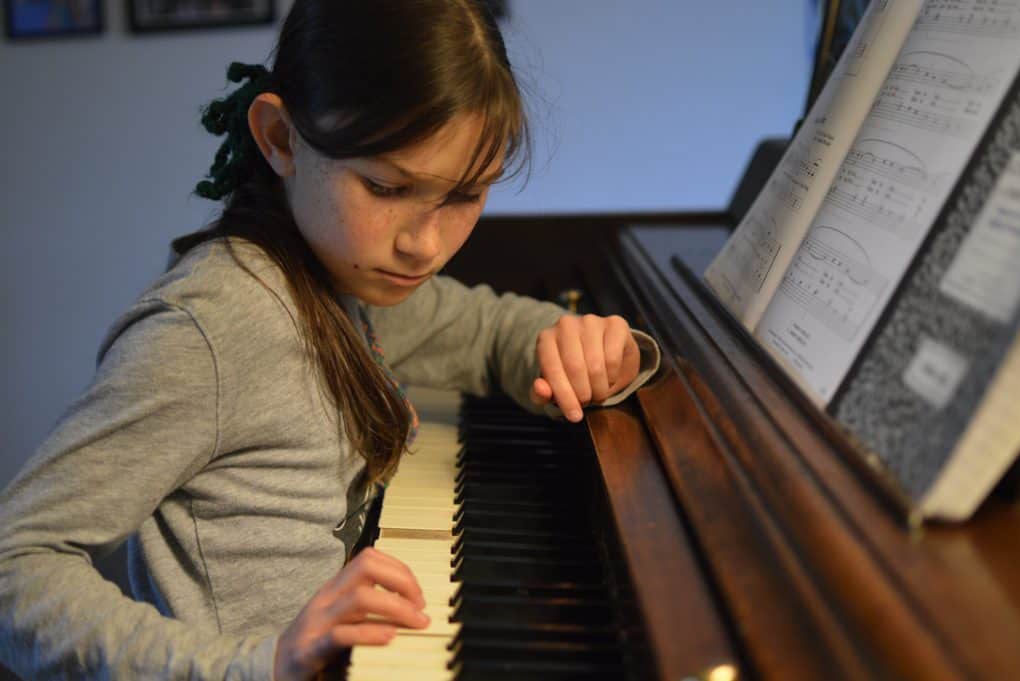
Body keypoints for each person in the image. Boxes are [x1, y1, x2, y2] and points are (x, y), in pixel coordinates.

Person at [0, 1, 660, 679]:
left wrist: (591, 348)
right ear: (281, 137)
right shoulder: (214, 326)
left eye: (464, 196)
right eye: (386, 186)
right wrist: (256, 664)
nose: (423, 244)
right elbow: (16, 568)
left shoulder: (344, 274)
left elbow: (484, 330)